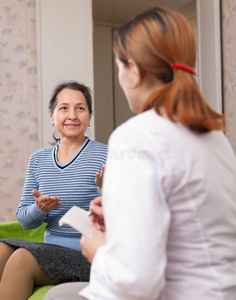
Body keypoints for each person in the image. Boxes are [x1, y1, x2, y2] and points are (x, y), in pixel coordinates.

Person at [44, 6, 236, 300]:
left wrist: (99, 250)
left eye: (119, 66)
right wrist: (120, 216)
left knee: (57, 297)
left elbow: (135, 283)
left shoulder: (134, 137)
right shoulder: (215, 137)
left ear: (132, 70)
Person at [0, 81, 108, 300]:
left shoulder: (106, 155)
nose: (72, 115)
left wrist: (106, 191)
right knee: (1, 251)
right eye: (64, 108)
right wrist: (39, 209)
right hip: (51, 252)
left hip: (87, 255)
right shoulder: (38, 159)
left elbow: (125, 218)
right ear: (52, 116)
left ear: (89, 116)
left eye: (80, 108)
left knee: (21, 259)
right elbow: (25, 222)